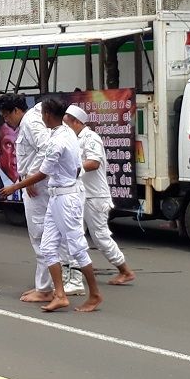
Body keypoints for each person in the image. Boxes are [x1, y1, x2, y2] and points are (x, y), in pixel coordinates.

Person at [1, 98, 103, 312]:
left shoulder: (58, 140)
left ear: (47, 115)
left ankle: (94, 294)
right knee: (47, 246)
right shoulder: (62, 133)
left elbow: (43, 172)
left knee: (76, 247)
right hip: (57, 195)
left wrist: (15, 186)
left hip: (67, 197)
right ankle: (58, 294)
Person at [64, 105, 135, 286]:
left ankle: (125, 270)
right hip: (79, 195)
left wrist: (73, 169)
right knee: (73, 234)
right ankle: (76, 271)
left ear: (77, 122)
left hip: (95, 197)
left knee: (100, 237)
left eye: (67, 123)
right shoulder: (72, 138)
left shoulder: (91, 138)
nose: (65, 127)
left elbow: (94, 162)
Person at [0, 94, 53, 302]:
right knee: (43, 236)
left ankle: (45, 288)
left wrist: (30, 176)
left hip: (38, 186)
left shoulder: (29, 122)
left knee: (40, 235)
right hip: (36, 183)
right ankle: (47, 285)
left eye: (6, 115)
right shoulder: (31, 120)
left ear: (16, 111)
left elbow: (46, 148)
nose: (6, 120)